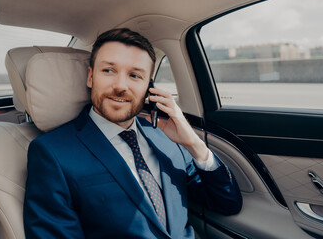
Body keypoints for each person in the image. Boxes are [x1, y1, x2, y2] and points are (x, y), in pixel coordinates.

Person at [23, 28, 242, 239]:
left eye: (135, 75)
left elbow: (227, 203)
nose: (120, 86)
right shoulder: (52, 152)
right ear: (91, 77)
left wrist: (194, 144)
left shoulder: (166, 138)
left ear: (149, 87)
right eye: (108, 70)